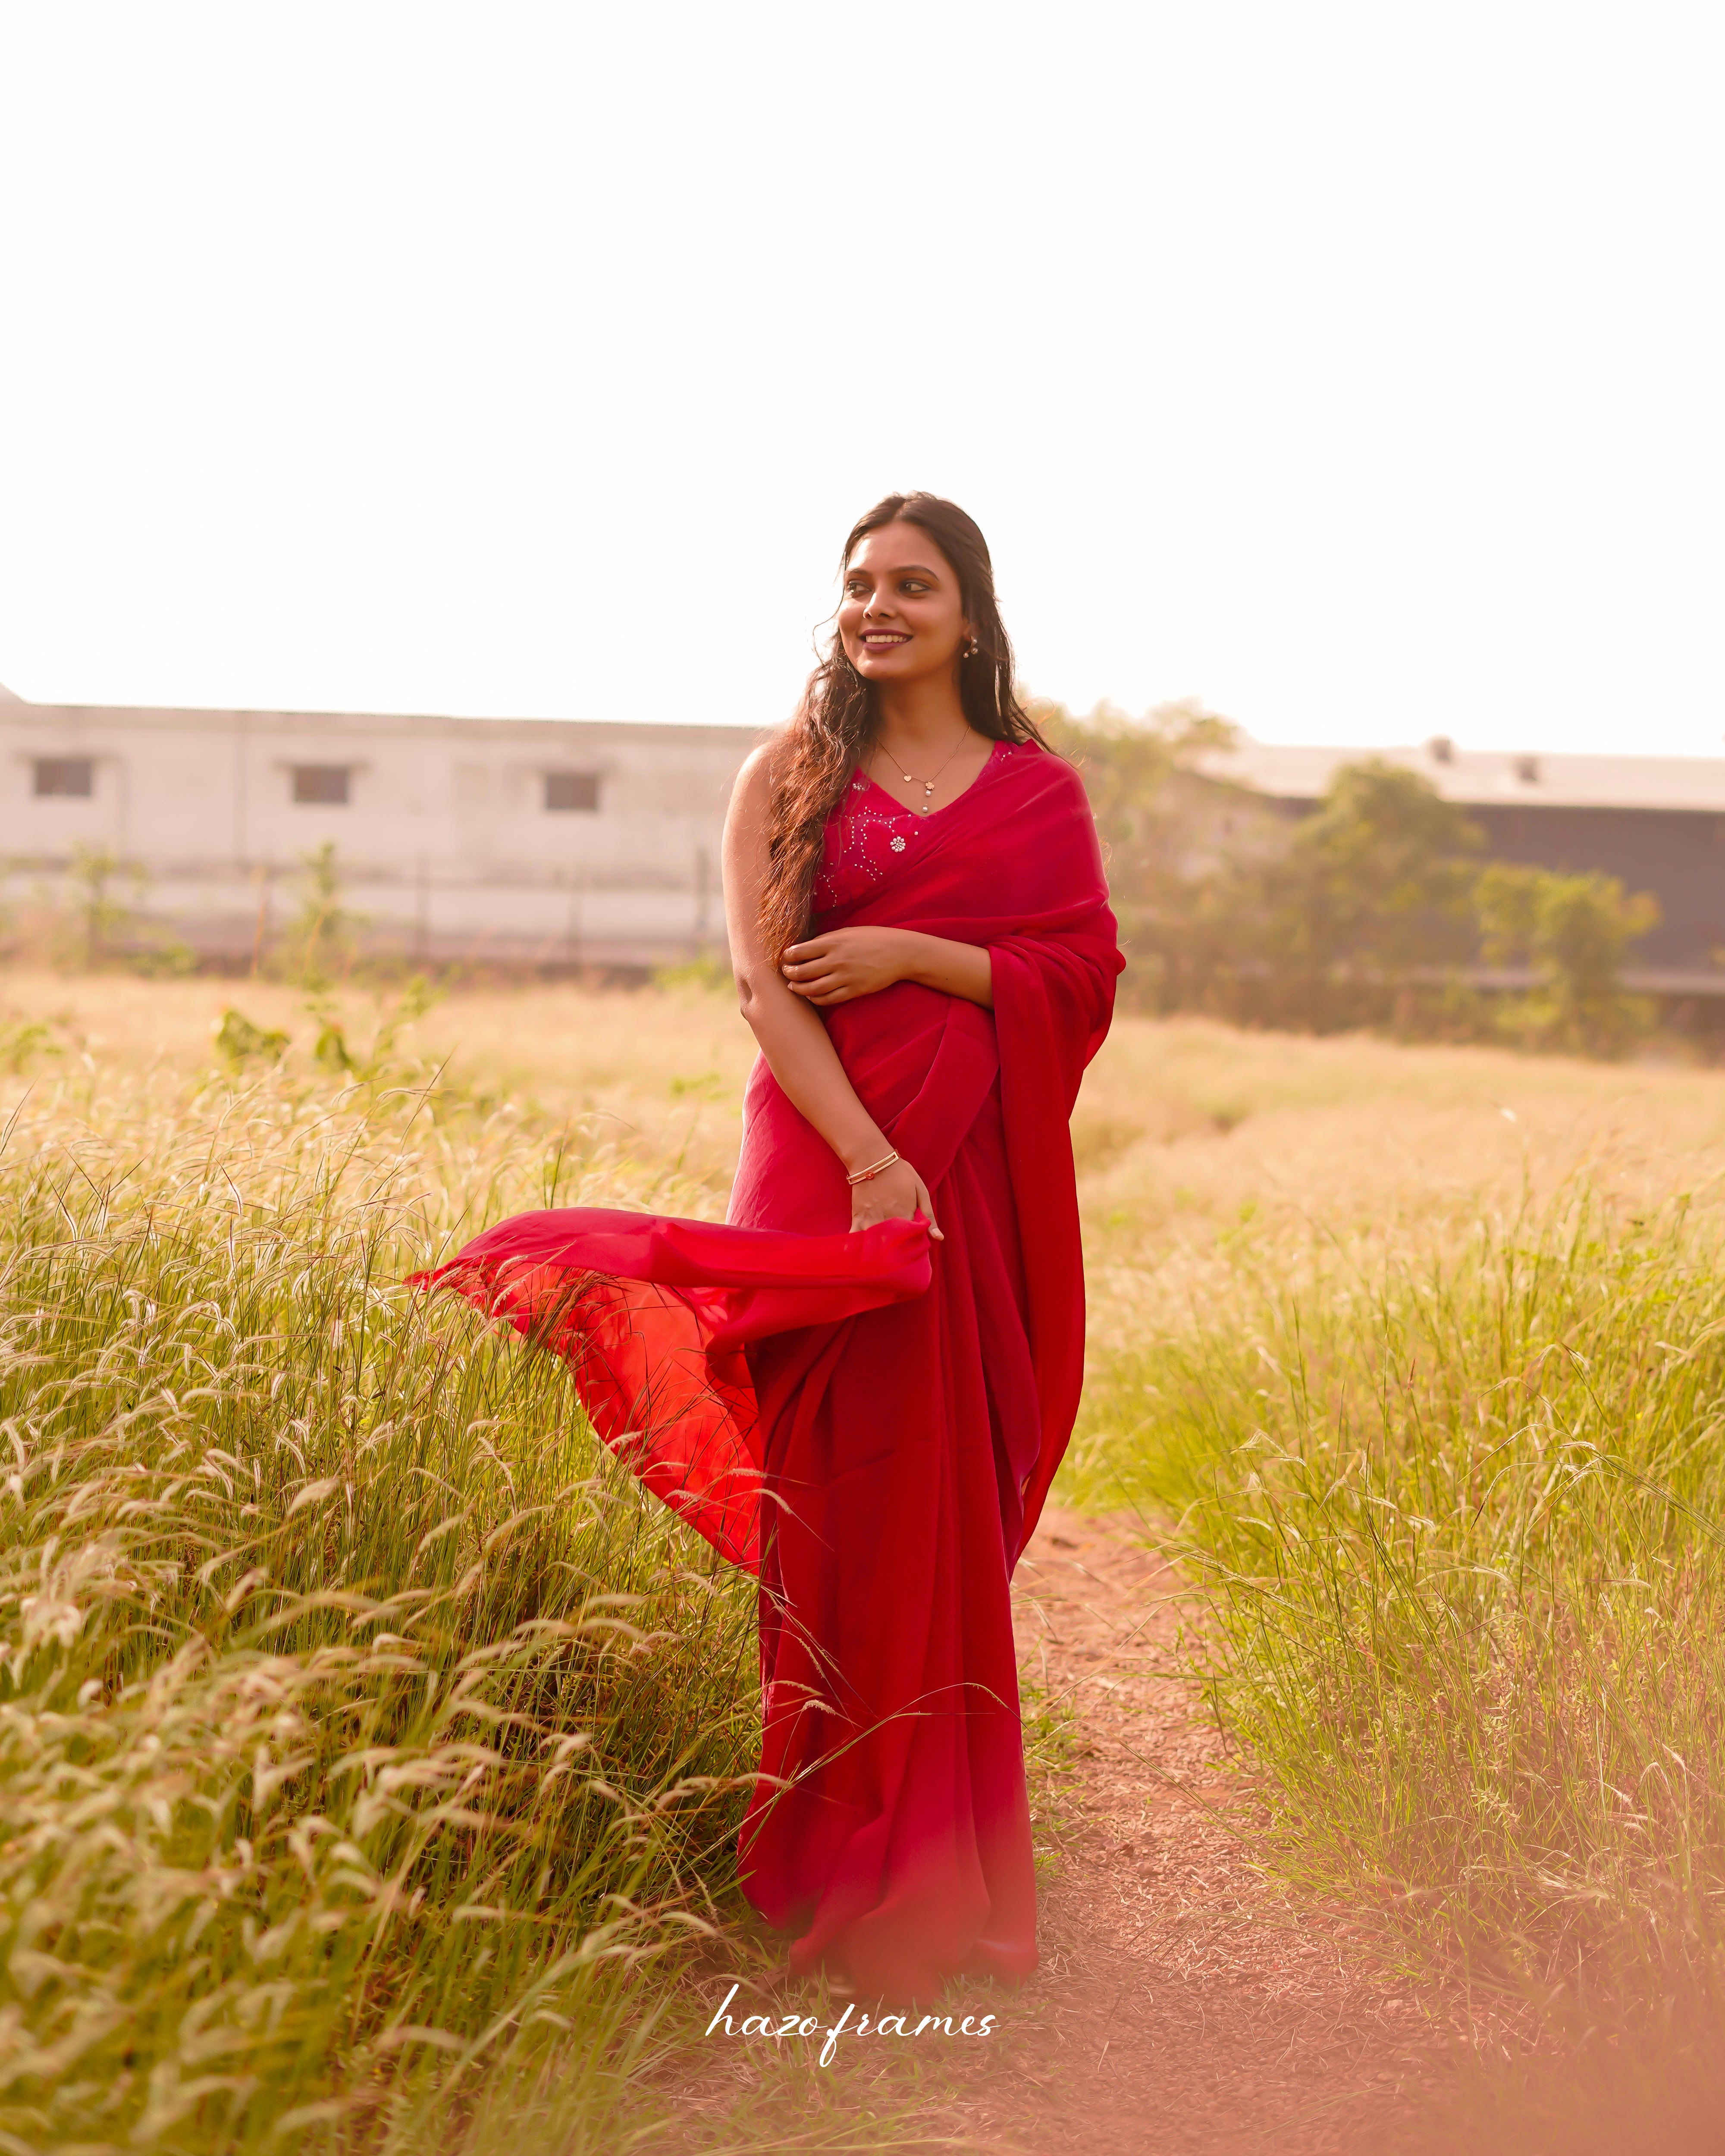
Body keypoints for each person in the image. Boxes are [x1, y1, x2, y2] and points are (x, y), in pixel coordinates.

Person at [421, 493, 1122, 2003]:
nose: (879, 605)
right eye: (860, 583)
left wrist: (917, 957)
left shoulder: (1035, 795)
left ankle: (944, 1879)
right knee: (835, 1513)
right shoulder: (789, 775)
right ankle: (824, 1857)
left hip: (966, 1193)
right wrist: (869, 1161)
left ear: (971, 615)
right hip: (829, 1174)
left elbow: (1079, 973)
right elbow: (762, 985)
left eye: (912, 585)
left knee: (932, 1511)